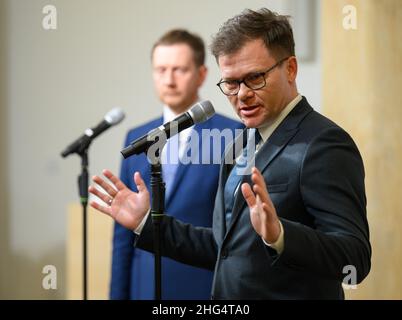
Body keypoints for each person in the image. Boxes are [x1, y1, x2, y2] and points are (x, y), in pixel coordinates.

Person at [89, 9, 371, 299]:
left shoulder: (324, 143)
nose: (242, 94)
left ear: (290, 69)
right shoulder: (239, 142)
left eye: (255, 78)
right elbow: (223, 249)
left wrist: (281, 236)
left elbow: (355, 259)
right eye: (232, 83)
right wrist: (147, 223)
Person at [109, 29, 243, 300]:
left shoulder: (234, 135)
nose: (169, 80)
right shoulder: (137, 137)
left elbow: (235, 232)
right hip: (144, 285)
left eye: (179, 70)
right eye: (161, 70)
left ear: (202, 74)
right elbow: (123, 239)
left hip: (203, 284)